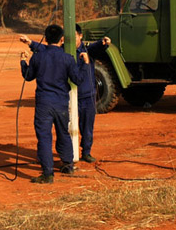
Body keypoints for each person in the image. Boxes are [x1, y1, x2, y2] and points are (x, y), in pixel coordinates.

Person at [20, 24, 85, 184]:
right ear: (62, 39)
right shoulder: (68, 58)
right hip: (61, 102)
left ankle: (48, 173)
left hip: (44, 103)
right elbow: (78, 79)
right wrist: (85, 64)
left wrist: (23, 62)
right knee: (63, 132)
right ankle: (67, 164)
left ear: (46, 38)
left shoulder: (38, 57)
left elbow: (28, 76)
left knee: (44, 137)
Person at [75, 24, 111, 163]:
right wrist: (31, 44)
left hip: (87, 96)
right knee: (66, 126)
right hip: (70, 96)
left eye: (74, 36)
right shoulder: (64, 51)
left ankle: (86, 152)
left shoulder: (87, 50)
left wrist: (104, 43)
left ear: (80, 36)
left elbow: (97, 47)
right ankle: (68, 154)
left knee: (87, 126)